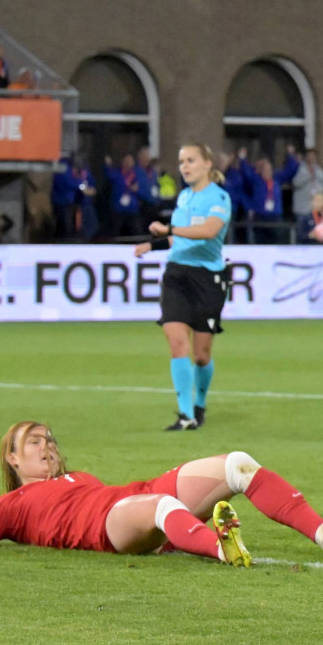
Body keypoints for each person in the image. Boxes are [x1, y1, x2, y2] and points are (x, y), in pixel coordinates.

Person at [0, 422, 323, 565]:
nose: (46, 445)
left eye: (49, 438)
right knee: (161, 505)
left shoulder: (78, 477)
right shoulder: (11, 507)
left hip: (132, 497)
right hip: (110, 528)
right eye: (33, 441)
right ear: (11, 459)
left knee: (238, 464)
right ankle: (222, 549)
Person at [135, 142, 233, 431]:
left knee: (201, 354)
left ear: (206, 163)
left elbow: (208, 232)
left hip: (207, 279)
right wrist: (151, 245)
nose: (185, 166)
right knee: (177, 341)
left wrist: (169, 230)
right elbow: (178, 240)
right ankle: (185, 415)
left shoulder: (219, 198)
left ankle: (199, 403)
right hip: (177, 275)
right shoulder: (184, 197)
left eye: (190, 160)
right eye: (181, 161)